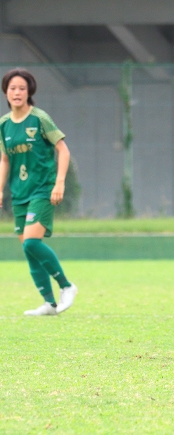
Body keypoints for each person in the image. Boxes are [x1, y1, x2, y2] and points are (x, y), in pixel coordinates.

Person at [0, 68, 78, 316]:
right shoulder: (3, 124)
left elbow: (63, 150)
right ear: (6, 92)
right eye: (12, 88)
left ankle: (67, 286)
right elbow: (4, 159)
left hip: (42, 190)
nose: (17, 92)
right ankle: (50, 303)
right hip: (19, 194)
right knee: (28, 249)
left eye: (22, 88)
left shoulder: (40, 118)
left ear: (29, 92)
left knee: (32, 242)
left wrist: (60, 182)